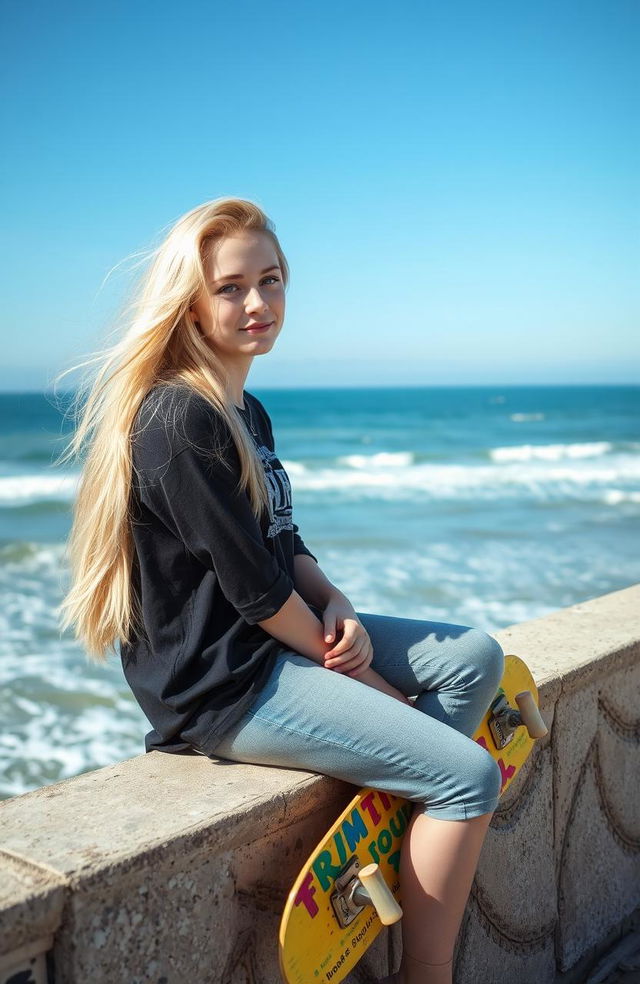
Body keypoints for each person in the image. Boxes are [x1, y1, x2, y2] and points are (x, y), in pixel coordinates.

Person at [58, 197, 504, 984]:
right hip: (225, 686)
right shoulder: (177, 419)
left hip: (275, 647)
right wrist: (367, 684)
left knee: (472, 656)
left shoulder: (245, 409)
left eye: (270, 280)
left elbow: (281, 542)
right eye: (231, 287)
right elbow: (256, 594)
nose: (257, 303)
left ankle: (396, 802)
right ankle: (427, 971)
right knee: (467, 777)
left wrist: (337, 604)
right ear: (189, 301)